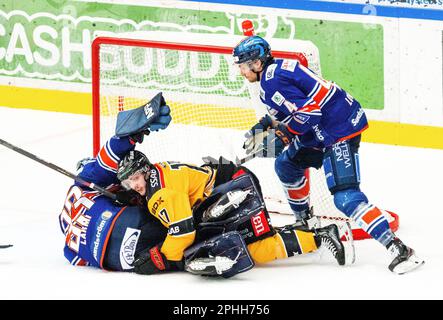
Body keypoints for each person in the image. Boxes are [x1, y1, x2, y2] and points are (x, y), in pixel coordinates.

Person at [232, 35, 424, 274]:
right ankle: (307, 225)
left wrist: (284, 134)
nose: (240, 71)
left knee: (345, 198)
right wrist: (263, 128)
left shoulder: (272, 82)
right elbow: (287, 111)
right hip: (321, 129)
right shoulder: (275, 73)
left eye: (242, 65)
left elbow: (310, 114)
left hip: (338, 131)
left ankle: (399, 249)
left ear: (257, 63)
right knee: (286, 165)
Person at [116, 150, 353, 278]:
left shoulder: (160, 194)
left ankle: (321, 236)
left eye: (135, 178)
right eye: (128, 183)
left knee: (248, 249)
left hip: (235, 188)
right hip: (231, 183)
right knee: (254, 241)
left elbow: (184, 232)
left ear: (146, 172)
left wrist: (162, 257)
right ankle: (318, 235)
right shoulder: (157, 174)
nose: (134, 185)